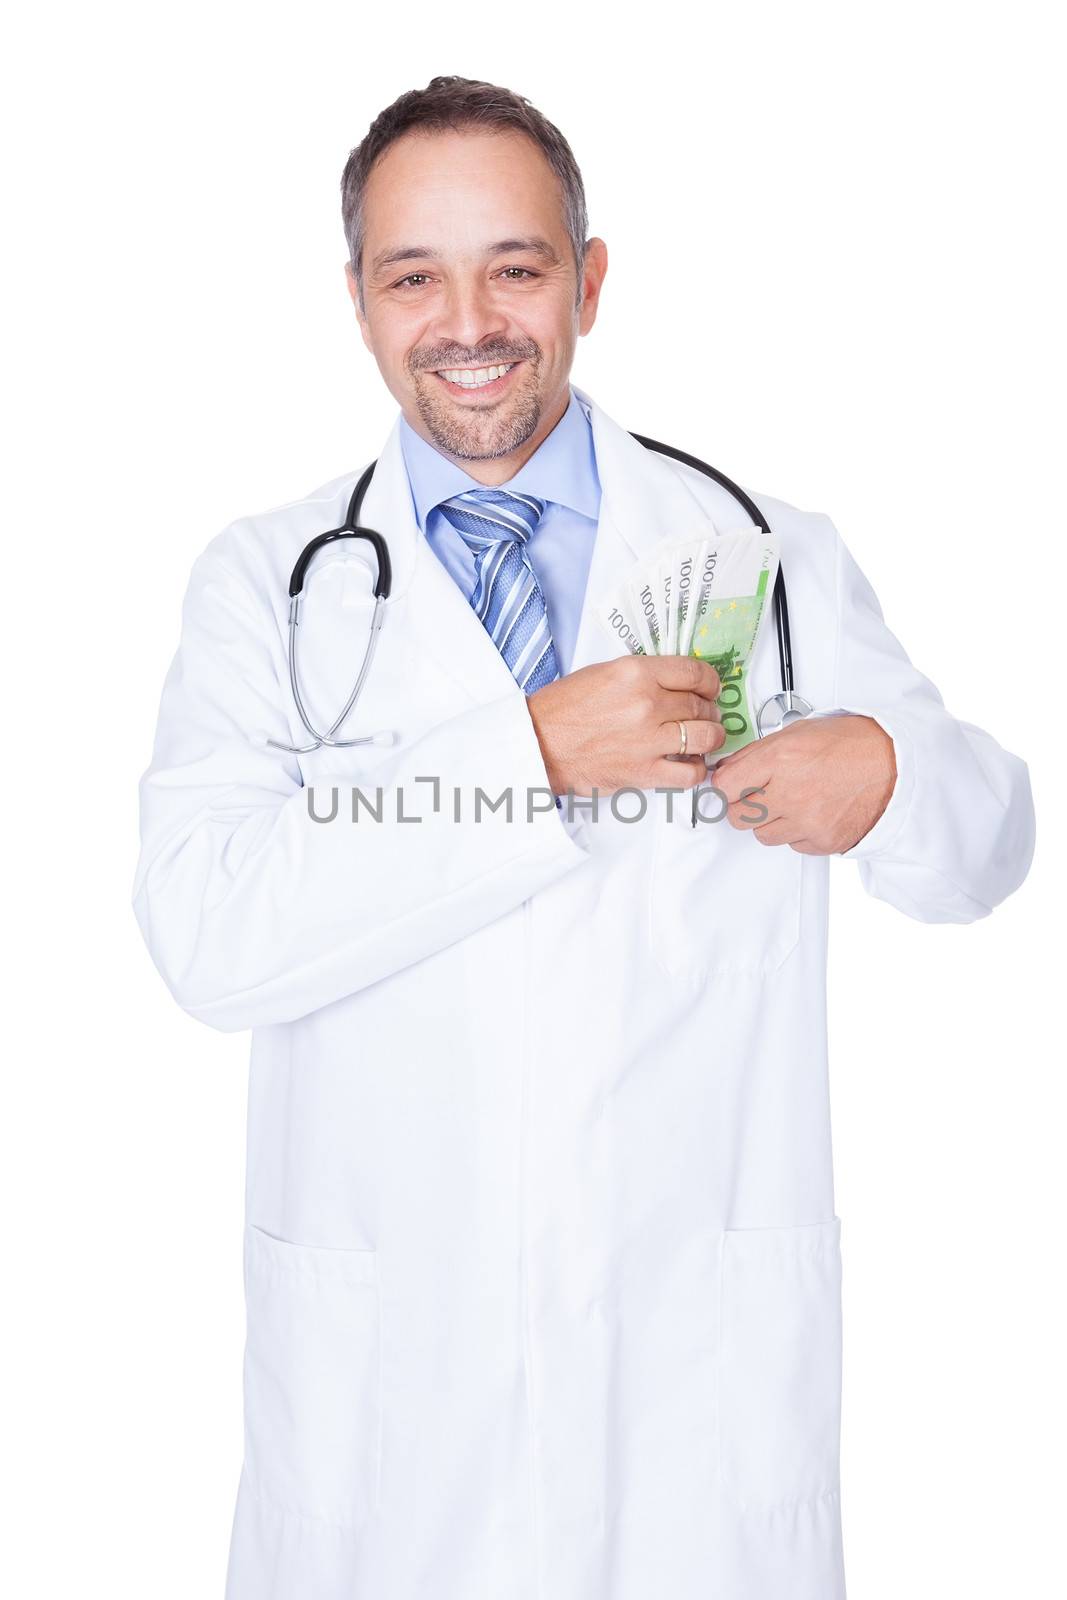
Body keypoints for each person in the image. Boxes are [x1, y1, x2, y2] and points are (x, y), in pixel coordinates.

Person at [132, 74, 1036, 1600]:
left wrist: (885, 774)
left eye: (519, 267)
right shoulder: (269, 587)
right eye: (416, 275)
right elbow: (209, 936)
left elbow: (985, 848)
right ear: (358, 301)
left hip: (689, 1399)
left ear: (591, 282)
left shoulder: (764, 552)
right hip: (389, 1416)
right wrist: (537, 755)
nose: (469, 321)